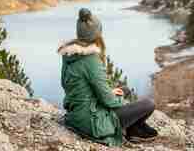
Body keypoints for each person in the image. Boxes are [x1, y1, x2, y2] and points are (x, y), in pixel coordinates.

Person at [58, 8, 158, 147]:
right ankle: (132, 129)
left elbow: (68, 85)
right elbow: (108, 101)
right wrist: (118, 98)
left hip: (76, 115)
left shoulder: (68, 55)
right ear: (97, 34)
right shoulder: (91, 60)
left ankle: (133, 128)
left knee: (124, 89)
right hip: (92, 122)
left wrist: (112, 92)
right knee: (148, 104)